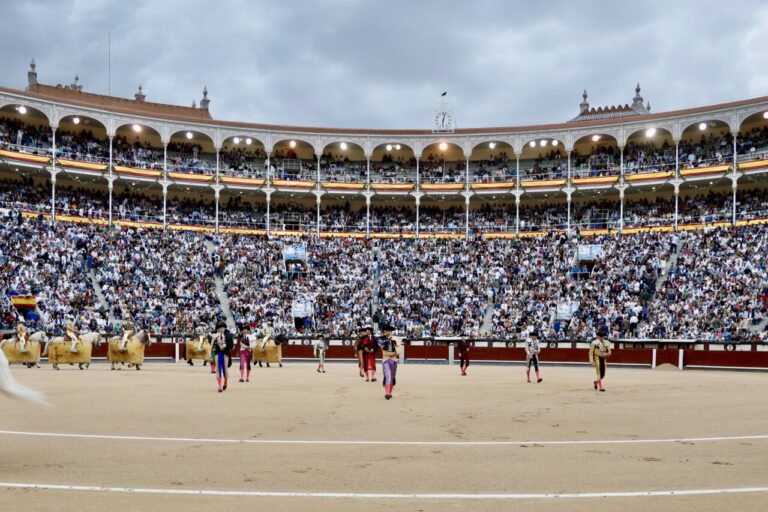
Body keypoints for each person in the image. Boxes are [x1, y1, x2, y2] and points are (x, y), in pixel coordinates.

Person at [377, 324, 401, 400]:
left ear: (391, 331)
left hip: (394, 359)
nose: (388, 332)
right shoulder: (381, 339)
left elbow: (399, 349)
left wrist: (393, 341)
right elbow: (383, 346)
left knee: (392, 377)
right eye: (387, 330)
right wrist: (390, 340)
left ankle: (390, 393)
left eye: (389, 331)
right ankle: (387, 393)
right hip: (386, 359)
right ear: (384, 331)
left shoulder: (396, 338)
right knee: (388, 376)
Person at [588, 326, 613, 392]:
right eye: (600, 336)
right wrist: (591, 361)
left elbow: (609, 351)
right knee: (598, 373)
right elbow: (590, 353)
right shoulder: (594, 343)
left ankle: (596, 382)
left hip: (603, 359)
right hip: (597, 358)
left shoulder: (607, 342)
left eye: (602, 336)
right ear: (598, 336)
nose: (602, 337)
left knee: (603, 374)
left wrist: (608, 354)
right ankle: (601, 387)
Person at [212, 322, 233, 392]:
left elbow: (231, 345)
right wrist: (218, 347)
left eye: (222, 328)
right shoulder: (214, 336)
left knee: (225, 369)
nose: (221, 329)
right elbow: (212, 346)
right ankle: (220, 386)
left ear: (224, 328)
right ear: (217, 329)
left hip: (225, 354)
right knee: (218, 369)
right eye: (219, 328)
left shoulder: (228, 335)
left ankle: (225, 381)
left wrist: (224, 346)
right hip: (217, 354)